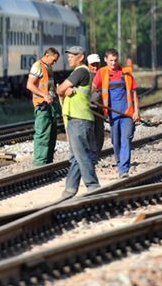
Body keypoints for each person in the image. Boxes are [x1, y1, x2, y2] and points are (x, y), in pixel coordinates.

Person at [56, 46, 100, 197]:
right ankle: (70, 189)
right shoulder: (82, 72)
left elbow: (60, 89)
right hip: (80, 119)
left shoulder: (81, 71)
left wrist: (64, 90)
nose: (69, 58)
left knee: (81, 155)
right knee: (76, 156)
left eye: (72, 56)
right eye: (68, 56)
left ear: (81, 57)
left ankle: (93, 186)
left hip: (79, 119)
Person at [92, 48, 140, 178]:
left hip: (127, 113)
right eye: (111, 60)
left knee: (126, 140)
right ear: (105, 60)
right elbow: (93, 88)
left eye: (115, 60)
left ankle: (124, 169)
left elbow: (134, 92)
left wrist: (136, 111)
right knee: (116, 141)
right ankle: (119, 162)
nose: (113, 63)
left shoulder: (126, 72)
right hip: (113, 114)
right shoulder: (102, 73)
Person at [26, 47, 61, 166]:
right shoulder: (37, 66)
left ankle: (48, 163)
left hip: (50, 106)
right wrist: (44, 95)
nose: (55, 63)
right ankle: (40, 164)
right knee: (42, 135)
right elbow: (30, 85)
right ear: (47, 56)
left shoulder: (48, 67)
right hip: (42, 105)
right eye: (54, 60)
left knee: (51, 136)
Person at [87, 53, 105, 162]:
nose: (95, 67)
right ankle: (90, 158)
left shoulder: (103, 75)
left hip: (100, 110)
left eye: (97, 64)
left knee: (99, 134)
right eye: (93, 65)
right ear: (88, 65)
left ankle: (96, 156)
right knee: (89, 133)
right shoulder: (85, 76)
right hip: (88, 109)